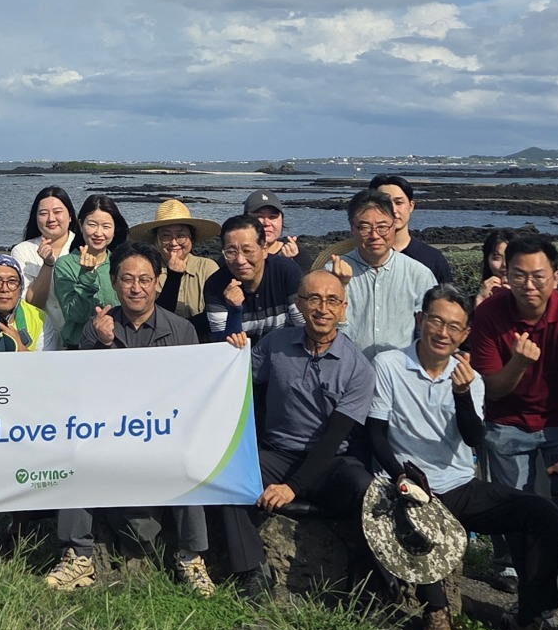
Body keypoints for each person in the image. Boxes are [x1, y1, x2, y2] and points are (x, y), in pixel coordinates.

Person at [365, 286, 558, 630]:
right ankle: (436, 612)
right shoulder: (389, 365)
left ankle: (529, 619)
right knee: (419, 512)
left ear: (465, 335)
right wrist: (401, 476)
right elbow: (376, 432)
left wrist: (462, 395)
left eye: (454, 327)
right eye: (436, 321)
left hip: (458, 485)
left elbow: (474, 438)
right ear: (420, 320)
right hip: (406, 485)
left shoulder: (470, 377)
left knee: (541, 513)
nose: (443, 332)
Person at [45, 242, 239, 597]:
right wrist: (102, 344)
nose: (136, 287)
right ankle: (78, 555)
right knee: (73, 456)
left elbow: (192, 393)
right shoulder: (97, 327)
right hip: (108, 435)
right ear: (115, 283)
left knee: (190, 459)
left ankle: (191, 557)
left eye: (145, 279)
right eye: (128, 279)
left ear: (157, 283)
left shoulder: (181, 331)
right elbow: (84, 390)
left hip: (163, 435)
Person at [218, 269, 377, 601]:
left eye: (332, 300)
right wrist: (233, 341)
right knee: (227, 476)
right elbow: (231, 378)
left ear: (343, 308)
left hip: (333, 461)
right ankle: (254, 568)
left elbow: (335, 437)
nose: (322, 308)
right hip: (279, 454)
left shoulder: (357, 366)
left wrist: (292, 487)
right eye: (314, 299)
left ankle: (368, 584)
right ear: (300, 304)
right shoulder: (276, 344)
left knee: (368, 493)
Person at [468, 233, 558, 594]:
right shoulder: (489, 315)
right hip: (507, 419)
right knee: (511, 500)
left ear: (555, 277)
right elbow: (491, 388)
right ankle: (510, 566)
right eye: (519, 275)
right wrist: (519, 363)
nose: (529, 285)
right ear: (506, 274)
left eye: (538, 276)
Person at [326, 190, 438, 358]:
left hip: (401, 373)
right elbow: (320, 329)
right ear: (352, 229)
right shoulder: (331, 272)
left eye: (382, 227)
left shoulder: (419, 274)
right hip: (346, 372)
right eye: (364, 227)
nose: (374, 235)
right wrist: (340, 286)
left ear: (394, 226)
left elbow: (428, 332)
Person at [310, 176, 452, 284]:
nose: (392, 210)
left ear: (411, 206)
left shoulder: (431, 261)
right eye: (384, 203)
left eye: (399, 202)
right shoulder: (341, 261)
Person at [126, 199, 222, 340]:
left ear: (192, 239)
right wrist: (174, 277)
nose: (174, 242)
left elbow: (215, 314)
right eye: (166, 236)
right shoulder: (147, 270)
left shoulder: (207, 267)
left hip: (201, 346)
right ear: (156, 240)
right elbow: (153, 319)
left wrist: (181, 330)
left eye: (181, 235)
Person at [203, 215, 305, 346]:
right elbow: (223, 346)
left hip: (285, 355)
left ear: (264, 249)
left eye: (247, 251)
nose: (240, 260)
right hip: (243, 361)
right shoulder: (215, 285)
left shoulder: (286, 271)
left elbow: (303, 326)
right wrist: (234, 310)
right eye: (231, 252)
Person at [51, 194, 130, 349]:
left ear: (115, 230)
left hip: (119, 343)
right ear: (80, 225)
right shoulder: (65, 265)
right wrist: (86, 275)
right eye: (92, 224)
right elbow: (76, 314)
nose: (98, 233)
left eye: (106, 226)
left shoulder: (121, 263)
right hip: (78, 346)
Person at [11, 186, 80, 329]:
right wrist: (47, 265)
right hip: (39, 335)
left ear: (70, 215)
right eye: (43, 213)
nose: (51, 219)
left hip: (77, 336)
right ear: (35, 218)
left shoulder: (82, 248)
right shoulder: (22, 251)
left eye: (57, 212)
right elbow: (30, 303)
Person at [243, 190, 299, 257]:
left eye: (272, 217)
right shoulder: (235, 257)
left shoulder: (297, 255)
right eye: (259, 217)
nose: (266, 223)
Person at [475, 228, 514, 309]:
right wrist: (480, 300)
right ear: (487, 260)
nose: (504, 264)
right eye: (497, 258)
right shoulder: (474, 299)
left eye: (510, 257)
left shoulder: (532, 296)